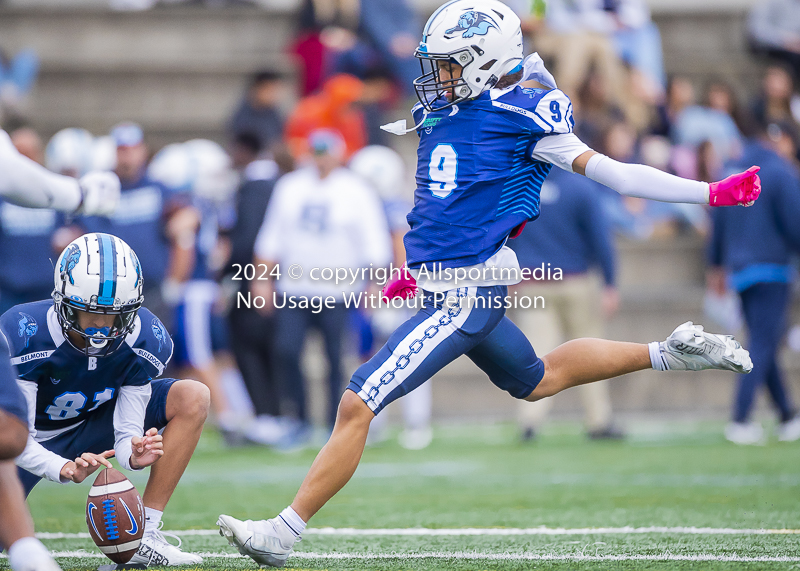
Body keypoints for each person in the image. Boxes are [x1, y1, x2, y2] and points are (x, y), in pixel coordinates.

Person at [217, 1, 759, 566]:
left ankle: (282, 533)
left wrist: (710, 193)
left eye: (451, 65)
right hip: (448, 285)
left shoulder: (526, 117)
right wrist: (415, 273)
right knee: (538, 379)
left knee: (358, 401)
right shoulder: (450, 108)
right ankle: (669, 353)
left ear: (484, 61)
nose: (438, 76)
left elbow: (617, 174)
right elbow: (446, 204)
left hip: (467, 292)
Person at [2, 233, 208, 565]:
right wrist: (63, 467)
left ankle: (147, 534)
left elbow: (126, 431)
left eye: (114, 315)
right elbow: (16, 436)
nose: (101, 325)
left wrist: (135, 451)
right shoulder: (27, 331)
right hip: (24, 438)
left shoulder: (145, 338)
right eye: (90, 314)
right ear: (63, 302)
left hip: (94, 422)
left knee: (193, 396)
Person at [0, 128, 119, 571]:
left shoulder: (141, 332)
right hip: (15, 303)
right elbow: (11, 173)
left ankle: (25, 550)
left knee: (8, 433)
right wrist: (80, 193)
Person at [251, 129, 391, 440]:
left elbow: (374, 242)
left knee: (335, 357)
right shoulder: (290, 186)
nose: (322, 158)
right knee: (286, 351)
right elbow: (272, 235)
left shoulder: (355, 189)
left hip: (339, 290)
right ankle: (297, 418)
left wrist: (374, 285)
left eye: (328, 152)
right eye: (317, 151)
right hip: (294, 287)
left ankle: (332, 422)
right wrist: (262, 279)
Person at [509, 167, 622, 441]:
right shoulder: (580, 187)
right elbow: (600, 236)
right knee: (591, 350)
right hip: (575, 280)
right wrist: (610, 282)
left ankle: (529, 421)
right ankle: (599, 420)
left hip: (532, 280)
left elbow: (505, 234)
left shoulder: (520, 185)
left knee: (535, 353)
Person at [708, 125, 800, 445]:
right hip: (772, 270)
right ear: (779, 139)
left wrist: (715, 264)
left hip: (740, 271)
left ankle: (788, 415)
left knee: (765, 342)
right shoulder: (780, 172)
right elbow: (795, 223)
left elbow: (717, 219)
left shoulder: (732, 170)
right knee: (762, 343)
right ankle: (740, 418)